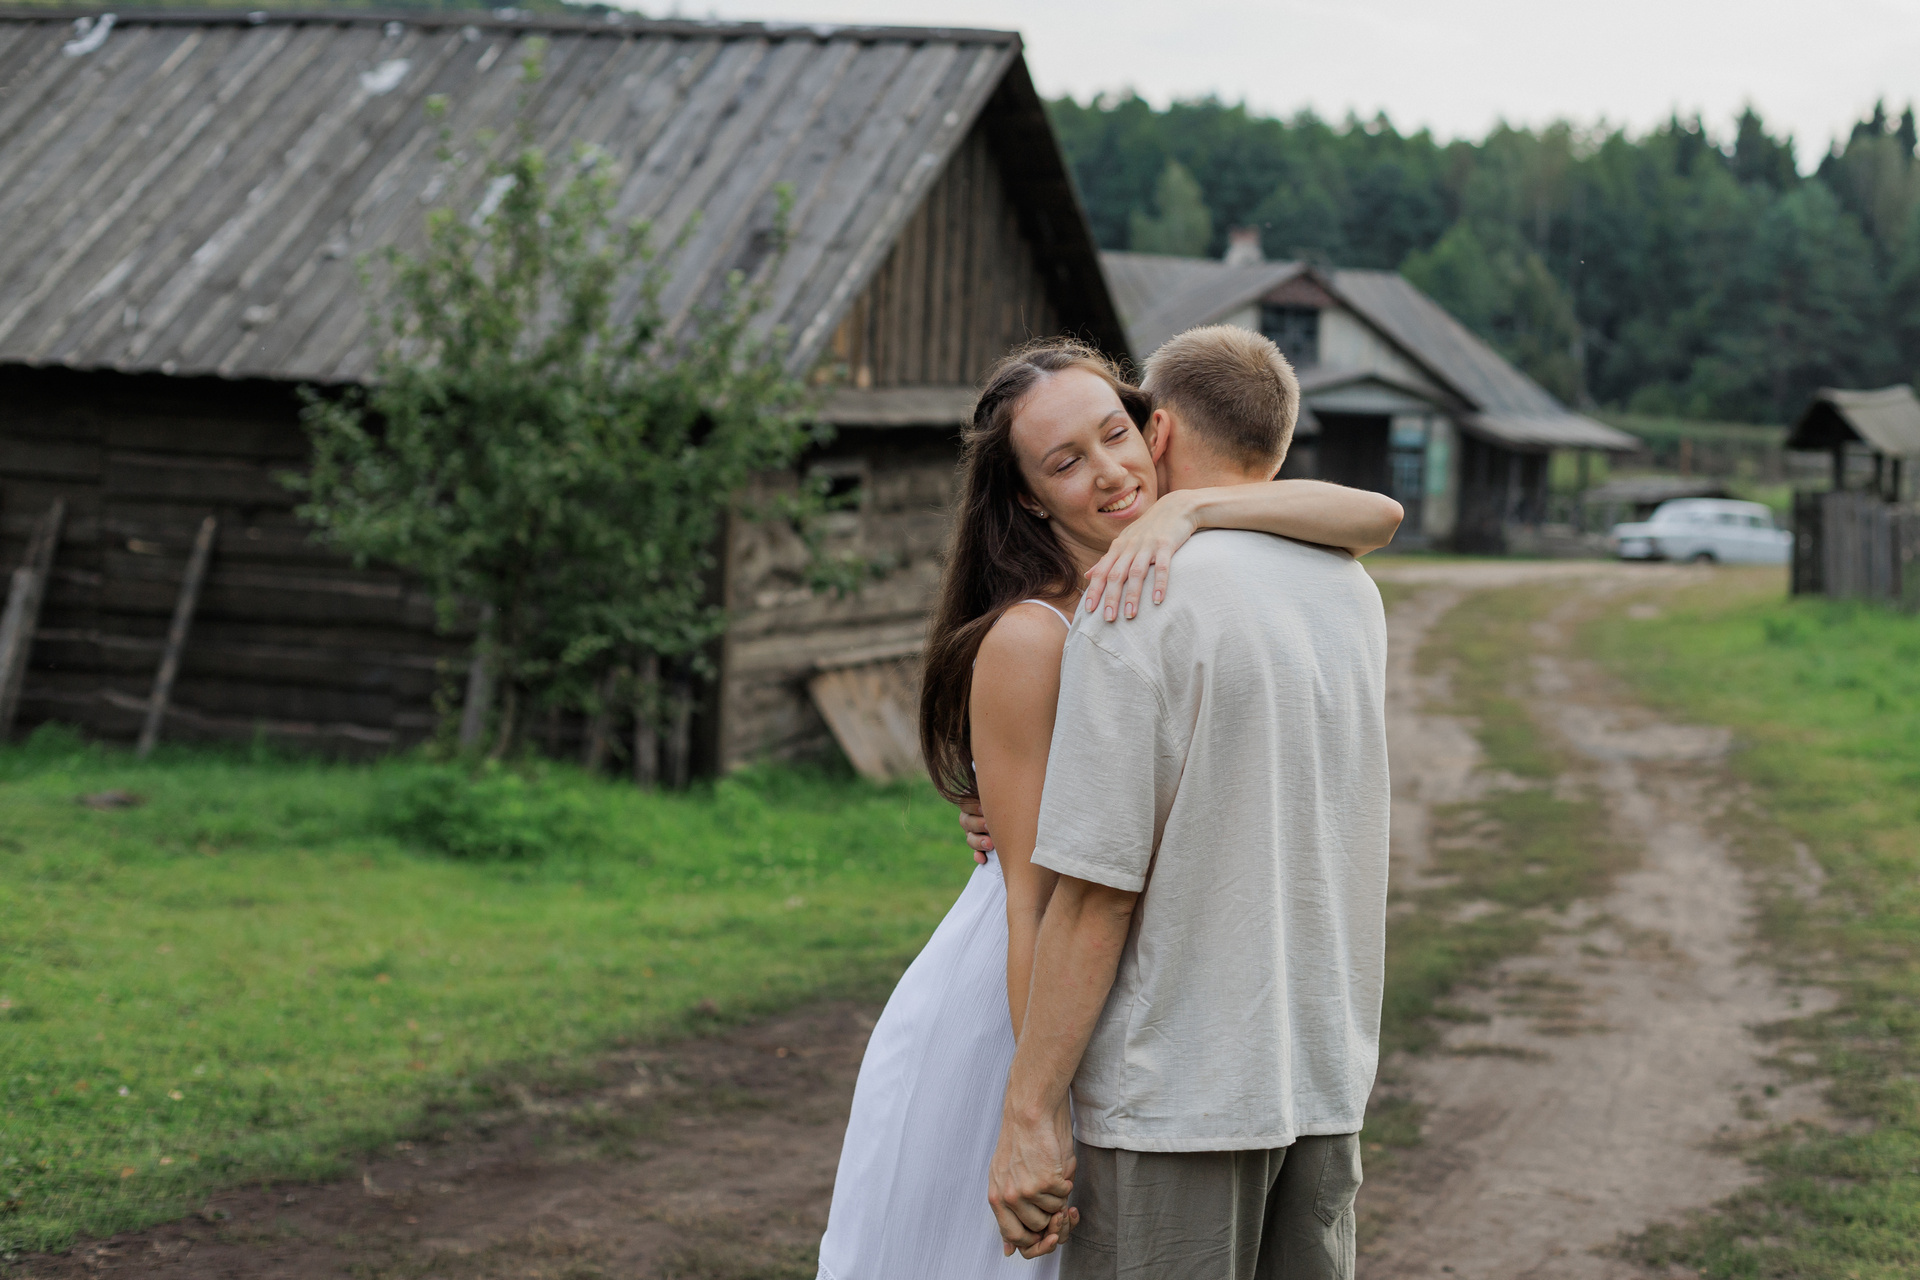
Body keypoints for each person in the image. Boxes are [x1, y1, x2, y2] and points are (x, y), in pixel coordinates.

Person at [814, 335, 1401, 1280]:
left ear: (1153, 428)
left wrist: (1195, 508)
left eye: (1115, 434)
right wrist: (1038, 1103)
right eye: (1065, 461)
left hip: (1129, 999)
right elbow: (1036, 900)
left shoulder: (1168, 577)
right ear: (1026, 497)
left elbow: (1376, 511)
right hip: (1033, 1000)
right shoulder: (1038, 635)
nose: (1111, 472)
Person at [986, 325, 1392, 1279]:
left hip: (1179, 1093)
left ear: (1155, 431)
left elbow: (1096, 895)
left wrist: (1030, 1113)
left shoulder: (1138, 597)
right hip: (1319, 1074)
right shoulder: (1349, 586)